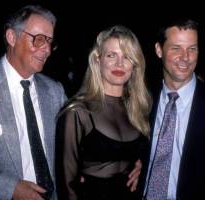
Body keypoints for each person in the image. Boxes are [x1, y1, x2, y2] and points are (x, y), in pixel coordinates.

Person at [0, 5, 66, 200]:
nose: (47, 50)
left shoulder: (55, 91)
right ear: (12, 38)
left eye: (50, 42)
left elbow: (77, 145)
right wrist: (10, 189)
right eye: (39, 39)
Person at [55, 25, 151, 200]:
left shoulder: (140, 110)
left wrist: (143, 166)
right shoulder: (77, 112)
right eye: (111, 55)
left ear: (135, 65)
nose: (119, 64)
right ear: (98, 60)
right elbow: (67, 186)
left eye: (127, 57)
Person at [143, 18, 205, 199]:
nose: (185, 57)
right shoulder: (142, 101)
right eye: (176, 48)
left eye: (192, 49)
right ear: (158, 50)